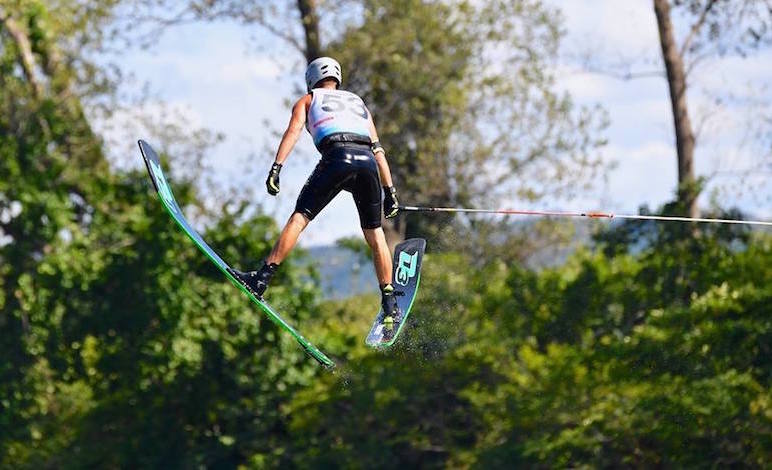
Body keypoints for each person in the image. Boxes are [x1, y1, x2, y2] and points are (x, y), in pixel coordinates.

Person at [233, 57, 402, 324]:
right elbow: (378, 149)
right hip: (368, 163)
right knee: (375, 233)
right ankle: (390, 301)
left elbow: (293, 131)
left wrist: (276, 167)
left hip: (337, 157)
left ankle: (261, 279)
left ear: (311, 79)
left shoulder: (308, 100)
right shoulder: (358, 104)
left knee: (299, 218)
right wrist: (389, 191)